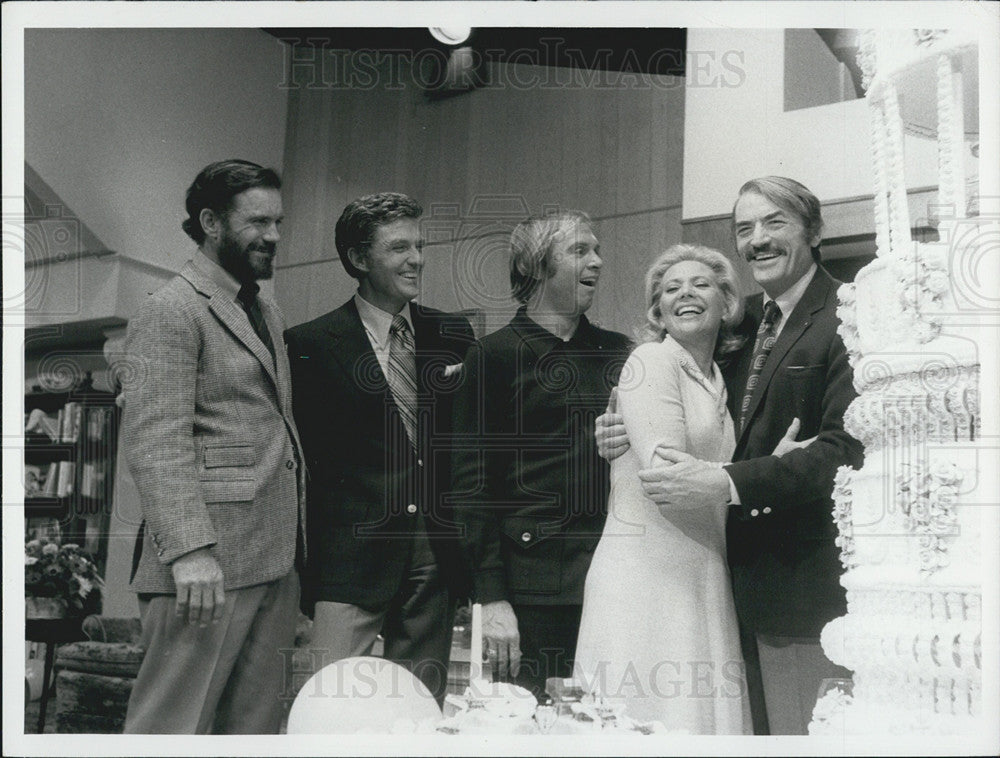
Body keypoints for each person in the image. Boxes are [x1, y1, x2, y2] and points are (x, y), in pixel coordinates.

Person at [596, 176, 863, 735]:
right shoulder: (719, 345)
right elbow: (679, 461)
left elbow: (844, 448)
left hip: (794, 587)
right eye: (745, 229)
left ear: (814, 231)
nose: (758, 239)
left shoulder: (845, 316)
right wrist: (617, 439)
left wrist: (745, 474)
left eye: (774, 222)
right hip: (699, 580)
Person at [121, 159, 306, 734]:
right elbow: (156, 441)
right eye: (258, 222)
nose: (273, 236)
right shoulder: (169, 309)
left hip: (274, 560)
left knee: (252, 732)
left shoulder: (265, 308)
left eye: (278, 222)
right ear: (210, 222)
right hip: (206, 569)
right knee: (170, 729)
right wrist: (190, 552)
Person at [285, 192, 475, 705]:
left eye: (420, 245)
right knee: (334, 706)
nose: (416, 259)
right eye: (399, 248)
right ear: (358, 258)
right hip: (349, 559)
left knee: (419, 708)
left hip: (434, 554)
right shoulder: (309, 343)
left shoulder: (452, 333)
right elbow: (302, 463)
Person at [451, 211, 633, 697]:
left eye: (597, 250)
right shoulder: (492, 356)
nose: (597, 260)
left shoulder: (622, 354)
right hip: (529, 593)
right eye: (579, 251)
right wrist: (492, 599)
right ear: (536, 268)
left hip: (616, 580)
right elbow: (470, 486)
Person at [574, 244, 751, 734]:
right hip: (647, 575)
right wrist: (753, 475)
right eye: (671, 289)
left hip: (700, 566)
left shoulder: (718, 378)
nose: (685, 294)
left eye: (700, 284)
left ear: (727, 301)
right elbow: (666, 475)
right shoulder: (651, 361)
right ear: (658, 310)